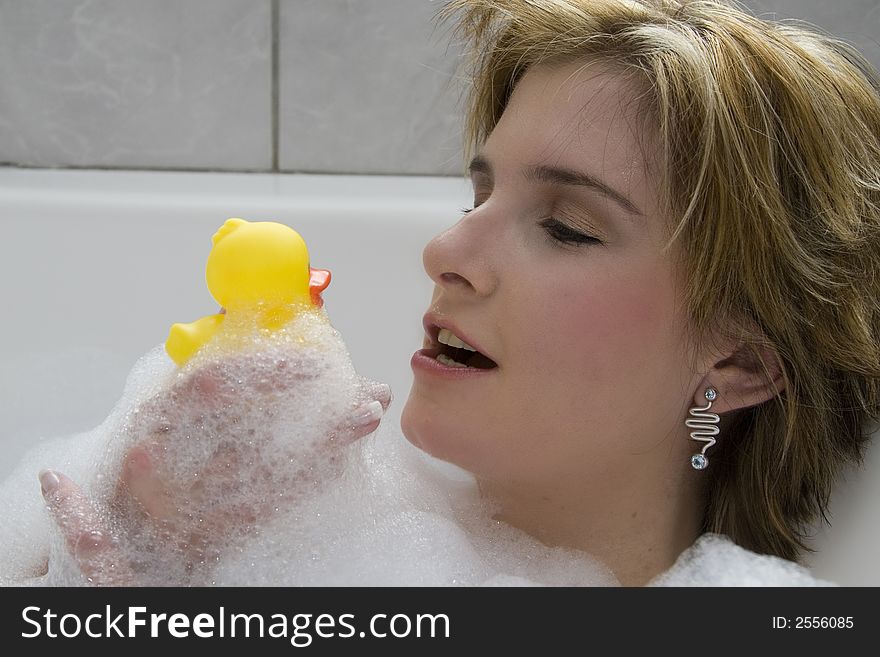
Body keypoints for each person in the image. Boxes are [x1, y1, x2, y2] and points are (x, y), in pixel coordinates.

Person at [10, 0, 880, 586]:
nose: (442, 249)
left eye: (567, 225)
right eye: (478, 197)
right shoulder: (298, 539)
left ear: (737, 359)